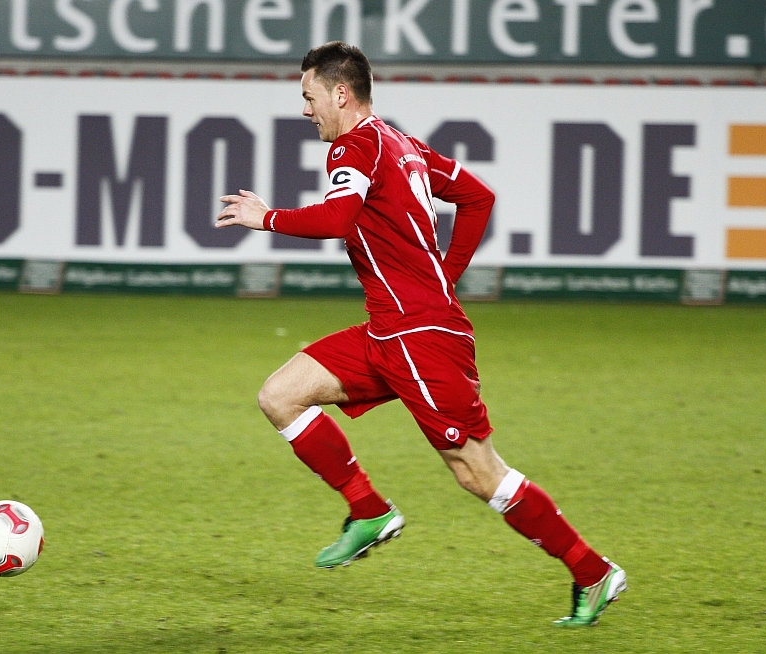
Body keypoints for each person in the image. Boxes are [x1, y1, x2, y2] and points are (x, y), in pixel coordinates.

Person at [216, 41, 626, 627]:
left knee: (478, 471)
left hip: (420, 338)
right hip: (392, 329)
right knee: (280, 395)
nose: (305, 109)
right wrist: (444, 278)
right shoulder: (402, 145)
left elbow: (339, 217)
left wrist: (267, 218)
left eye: (309, 97)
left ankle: (592, 570)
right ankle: (369, 511)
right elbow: (478, 196)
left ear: (340, 93)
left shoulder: (354, 147)